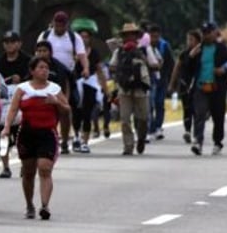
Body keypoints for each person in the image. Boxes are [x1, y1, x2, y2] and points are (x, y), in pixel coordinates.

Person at [1, 56, 70, 220]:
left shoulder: (54, 89)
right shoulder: (23, 89)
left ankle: (45, 205)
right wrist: (7, 127)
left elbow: (67, 109)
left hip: (47, 134)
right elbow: (13, 109)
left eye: (46, 68)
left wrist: (56, 103)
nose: (44, 70)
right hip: (27, 134)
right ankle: (29, 205)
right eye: (40, 67)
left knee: (45, 168)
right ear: (32, 71)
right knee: (28, 172)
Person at [38, 11, 90, 153]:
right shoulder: (46, 35)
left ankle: (67, 139)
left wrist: (85, 68)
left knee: (67, 108)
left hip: (67, 76)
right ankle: (48, 137)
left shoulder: (74, 37)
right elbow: (38, 53)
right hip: (47, 75)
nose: (59, 27)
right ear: (53, 23)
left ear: (67, 25)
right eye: (57, 24)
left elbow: (82, 55)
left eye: (62, 25)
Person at [185, 21, 227, 156]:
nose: (206, 36)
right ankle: (198, 142)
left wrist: (222, 70)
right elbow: (187, 68)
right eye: (204, 33)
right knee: (199, 115)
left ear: (215, 33)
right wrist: (191, 56)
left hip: (217, 87)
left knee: (218, 115)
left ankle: (217, 142)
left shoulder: (222, 49)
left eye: (208, 33)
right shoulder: (198, 49)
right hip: (201, 86)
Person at [110, 23, 157, 155]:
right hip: (124, 89)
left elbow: (155, 64)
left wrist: (141, 61)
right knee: (125, 120)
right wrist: (123, 67)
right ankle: (128, 146)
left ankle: (141, 138)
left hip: (141, 88)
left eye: (132, 34)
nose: (129, 37)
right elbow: (111, 67)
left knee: (143, 118)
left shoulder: (145, 50)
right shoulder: (119, 51)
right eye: (126, 35)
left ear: (137, 36)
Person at [0, 30, 31, 177]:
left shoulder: (27, 60)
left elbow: (33, 79)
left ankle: (24, 164)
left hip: (22, 102)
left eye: (12, 42)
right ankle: (5, 166)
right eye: (6, 42)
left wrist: (21, 79)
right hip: (4, 102)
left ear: (19, 44)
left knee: (24, 137)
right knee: (3, 136)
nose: (9, 45)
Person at [71, 27, 108, 153]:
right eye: (81, 36)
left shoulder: (94, 53)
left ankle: (85, 141)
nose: (84, 39)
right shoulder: (73, 52)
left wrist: (105, 89)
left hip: (90, 84)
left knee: (88, 112)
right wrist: (75, 59)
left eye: (86, 36)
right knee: (76, 112)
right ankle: (76, 136)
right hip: (76, 83)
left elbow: (99, 70)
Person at [168, 30, 200, 143]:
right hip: (185, 84)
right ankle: (187, 130)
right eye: (188, 39)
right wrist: (172, 84)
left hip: (198, 84)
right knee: (187, 108)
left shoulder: (202, 53)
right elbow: (176, 69)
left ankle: (197, 133)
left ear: (198, 41)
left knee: (197, 109)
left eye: (192, 39)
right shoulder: (184, 54)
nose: (189, 42)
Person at [148, 24, 174, 139]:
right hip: (149, 80)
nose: (154, 39)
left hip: (162, 80)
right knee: (150, 104)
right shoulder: (145, 47)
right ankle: (151, 126)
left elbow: (171, 64)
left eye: (156, 37)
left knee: (159, 103)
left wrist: (170, 80)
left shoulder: (164, 46)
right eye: (152, 36)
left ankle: (158, 126)